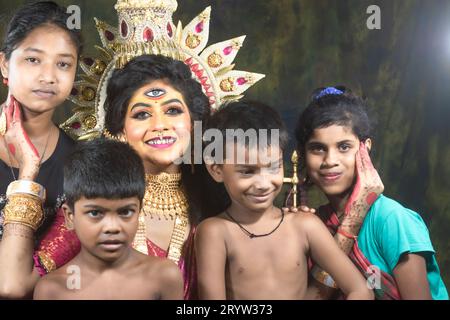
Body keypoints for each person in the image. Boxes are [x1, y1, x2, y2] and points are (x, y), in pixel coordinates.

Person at [195, 101, 374, 300]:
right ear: (216, 170)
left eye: (273, 167)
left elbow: (360, 289)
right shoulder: (215, 231)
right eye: (247, 172)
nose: (263, 183)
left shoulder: (304, 225)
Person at [296, 86, 448, 300]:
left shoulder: (391, 220)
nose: (330, 160)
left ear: (365, 148)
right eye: (318, 148)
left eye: (344, 147)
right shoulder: (316, 223)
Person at [0, 1, 82, 298]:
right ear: (4, 65)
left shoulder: (80, 164)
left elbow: (11, 288)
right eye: (33, 60)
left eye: (63, 64)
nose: (48, 76)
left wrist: (28, 170)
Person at [33, 139, 183, 300]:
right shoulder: (52, 290)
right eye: (95, 213)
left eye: (125, 212)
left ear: (139, 211)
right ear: (70, 217)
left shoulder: (164, 276)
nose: (112, 227)